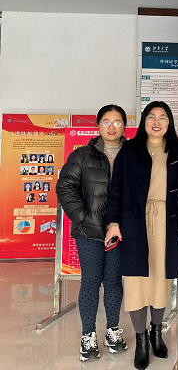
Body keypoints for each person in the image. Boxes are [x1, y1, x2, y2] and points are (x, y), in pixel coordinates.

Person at [105, 101, 178, 370]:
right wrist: (113, 223)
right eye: (151, 117)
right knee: (136, 281)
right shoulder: (130, 150)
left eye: (163, 118)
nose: (157, 122)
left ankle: (156, 332)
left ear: (169, 122)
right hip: (136, 221)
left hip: (167, 223)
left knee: (161, 279)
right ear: (144, 121)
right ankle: (141, 339)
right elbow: (116, 189)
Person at [56, 104, 128, 361]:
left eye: (117, 122)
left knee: (114, 281)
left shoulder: (132, 154)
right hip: (89, 232)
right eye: (106, 121)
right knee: (90, 282)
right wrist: (84, 218)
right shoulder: (82, 155)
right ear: (98, 125)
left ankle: (112, 330)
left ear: (124, 125)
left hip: (120, 233)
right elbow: (65, 187)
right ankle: (88, 335)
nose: (112, 127)